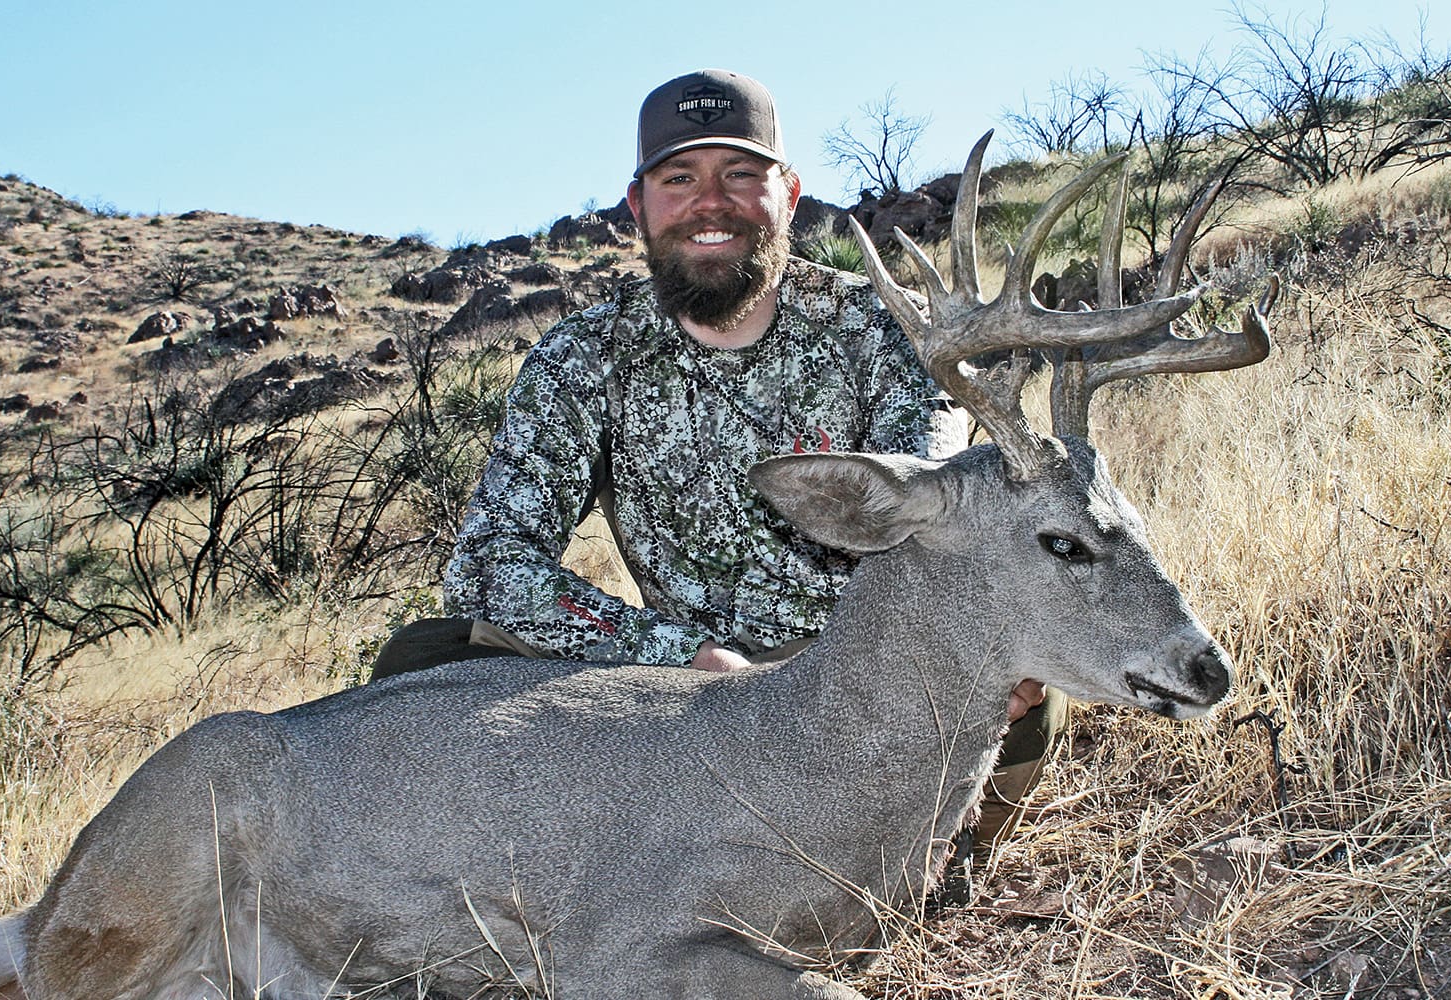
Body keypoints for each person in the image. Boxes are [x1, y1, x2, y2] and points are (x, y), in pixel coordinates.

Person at [370, 69, 1065, 855]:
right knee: (421, 664)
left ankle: (933, 861)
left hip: (851, 667)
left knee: (1020, 661)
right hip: (670, 690)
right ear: (639, 206)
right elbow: (493, 565)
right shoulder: (583, 358)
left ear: (790, 193)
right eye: (680, 178)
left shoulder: (881, 330)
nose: (711, 202)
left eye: (741, 173)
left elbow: (936, 512)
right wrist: (683, 657)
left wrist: (968, 642)